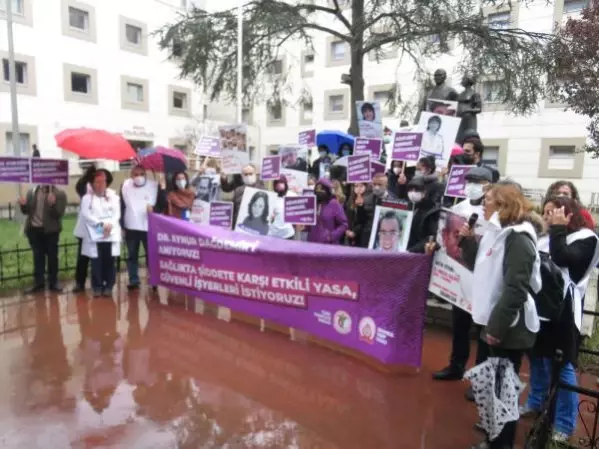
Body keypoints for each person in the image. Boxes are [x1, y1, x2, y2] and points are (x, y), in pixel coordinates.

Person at [457, 184, 542, 449]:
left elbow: (515, 288)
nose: (483, 204)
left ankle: (501, 444)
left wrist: (495, 328)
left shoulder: (518, 237)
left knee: (503, 390)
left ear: (504, 205)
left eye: (489, 200)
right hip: (494, 321)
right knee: (495, 388)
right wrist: (469, 242)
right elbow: (480, 268)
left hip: (507, 327)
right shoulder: (497, 233)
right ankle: (495, 439)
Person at [522, 196, 599, 443]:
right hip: (539, 308)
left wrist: (557, 229)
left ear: (569, 214)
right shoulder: (545, 236)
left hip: (563, 312)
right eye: (545, 213)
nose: (547, 217)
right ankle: (536, 401)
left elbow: (564, 259)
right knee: (536, 358)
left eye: (553, 212)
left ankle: (564, 425)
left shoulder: (587, 239)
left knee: (563, 367)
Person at [432, 166, 494, 382]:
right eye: (469, 182)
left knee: (483, 332)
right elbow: (445, 236)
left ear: (488, 185)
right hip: (461, 277)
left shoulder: (494, 213)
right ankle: (456, 365)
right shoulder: (459, 208)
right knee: (460, 325)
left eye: (477, 182)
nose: (472, 187)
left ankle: (480, 379)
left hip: (484, 278)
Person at [80, 170, 121, 298]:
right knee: (96, 261)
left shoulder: (113, 197)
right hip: (95, 233)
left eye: (103, 181)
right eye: (97, 182)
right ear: (92, 184)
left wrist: (109, 225)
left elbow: (116, 214)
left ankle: (109, 285)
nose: (100, 184)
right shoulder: (87, 198)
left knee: (110, 260)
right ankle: (97, 286)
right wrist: (101, 226)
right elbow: (87, 215)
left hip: (111, 232)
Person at [120, 165, 163, 290]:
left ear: (146, 174)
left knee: (151, 254)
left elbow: (162, 204)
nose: (138, 177)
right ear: (131, 176)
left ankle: (154, 279)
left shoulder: (154, 186)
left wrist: (153, 209)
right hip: (131, 226)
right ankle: (133, 279)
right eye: (135, 174)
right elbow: (122, 206)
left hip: (148, 226)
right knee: (132, 255)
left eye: (141, 174)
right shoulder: (125, 186)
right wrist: (122, 225)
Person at [19, 184, 67, 293]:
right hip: (34, 230)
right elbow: (27, 211)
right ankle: (38, 283)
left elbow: (59, 214)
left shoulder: (59, 194)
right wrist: (23, 205)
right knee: (38, 257)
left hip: (51, 231)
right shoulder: (32, 191)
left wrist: (52, 204)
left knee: (52, 257)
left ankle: (53, 282)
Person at [73, 164, 99, 293]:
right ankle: (80, 283)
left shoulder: (105, 191)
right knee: (82, 257)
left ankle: (97, 283)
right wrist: (88, 173)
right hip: (85, 229)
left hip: (98, 228)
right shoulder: (85, 190)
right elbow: (78, 186)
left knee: (97, 257)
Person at [307, 178, 348, 244]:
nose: (319, 191)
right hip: (312, 243)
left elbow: (344, 224)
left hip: (328, 245)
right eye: (317, 189)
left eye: (322, 189)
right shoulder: (313, 203)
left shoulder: (334, 204)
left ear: (327, 190)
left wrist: (331, 236)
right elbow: (309, 225)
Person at [406, 176, 441, 253]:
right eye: (410, 190)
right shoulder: (409, 206)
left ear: (424, 192)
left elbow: (431, 237)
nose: (412, 193)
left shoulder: (432, 211)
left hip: (417, 255)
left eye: (416, 190)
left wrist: (411, 251)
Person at [345, 182, 374, 248]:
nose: (358, 188)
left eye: (361, 186)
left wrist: (355, 232)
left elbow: (365, 219)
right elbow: (348, 217)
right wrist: (347, 229)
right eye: (356, 186)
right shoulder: (351, 199)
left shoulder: (369, 199)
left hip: (362, 235)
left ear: (366, 187)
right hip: (350, 234)